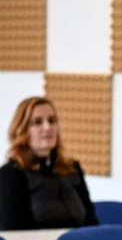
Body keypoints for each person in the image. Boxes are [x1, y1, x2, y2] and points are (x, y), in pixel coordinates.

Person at [0, 97, 98, 232]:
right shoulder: (11, 174)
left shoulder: (72, 168)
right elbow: (13, 233)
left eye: (52, 121)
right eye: (38, 122)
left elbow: (91, 223)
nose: (48, 127)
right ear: (22, 130)